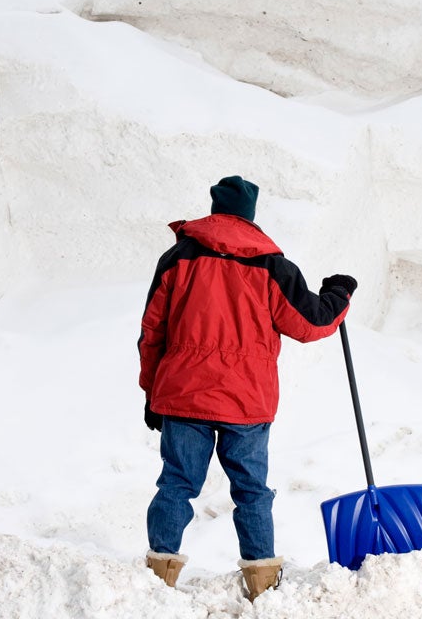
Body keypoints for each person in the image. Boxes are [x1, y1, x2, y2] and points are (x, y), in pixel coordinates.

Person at [137, 175, 357, 601]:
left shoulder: (179, 257)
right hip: (247, 401)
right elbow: (311, 324)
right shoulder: (272, 265)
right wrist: (338, 294)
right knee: (252, 490)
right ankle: (262, 586)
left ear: (216, 208)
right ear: (250, 215)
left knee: (176, 485)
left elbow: (152, 332)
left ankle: (155, 582)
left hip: (183, 395)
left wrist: (151, 392)